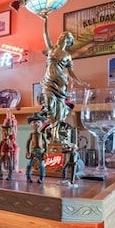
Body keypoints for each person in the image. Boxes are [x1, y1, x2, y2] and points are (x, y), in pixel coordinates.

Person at [39, 14, 87, 142]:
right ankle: (53, 134)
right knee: (49, 106)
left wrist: (79, 81)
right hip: (48, 82)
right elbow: (45, 35)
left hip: (60, 83)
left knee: (58, 110)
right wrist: (45, 20)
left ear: (68, 41)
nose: (63, 39)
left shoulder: (67, 55)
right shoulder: (51, 49)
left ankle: (56, 138)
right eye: (63, 37)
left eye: (66, 39)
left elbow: (71, 71)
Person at [25, 113, 48, 183]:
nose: (36, 124)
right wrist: (27, 151)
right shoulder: (31, 134)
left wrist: (45, 151)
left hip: (40, 151)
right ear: (31, 124)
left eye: (38, 122)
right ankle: (28, 177)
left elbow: (46, 143)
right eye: (34, 122)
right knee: (29, 164)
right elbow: (28, 142)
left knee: (41, 165)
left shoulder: (42, 134)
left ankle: (41, 178)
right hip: (33, 151)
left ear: (41, 124)